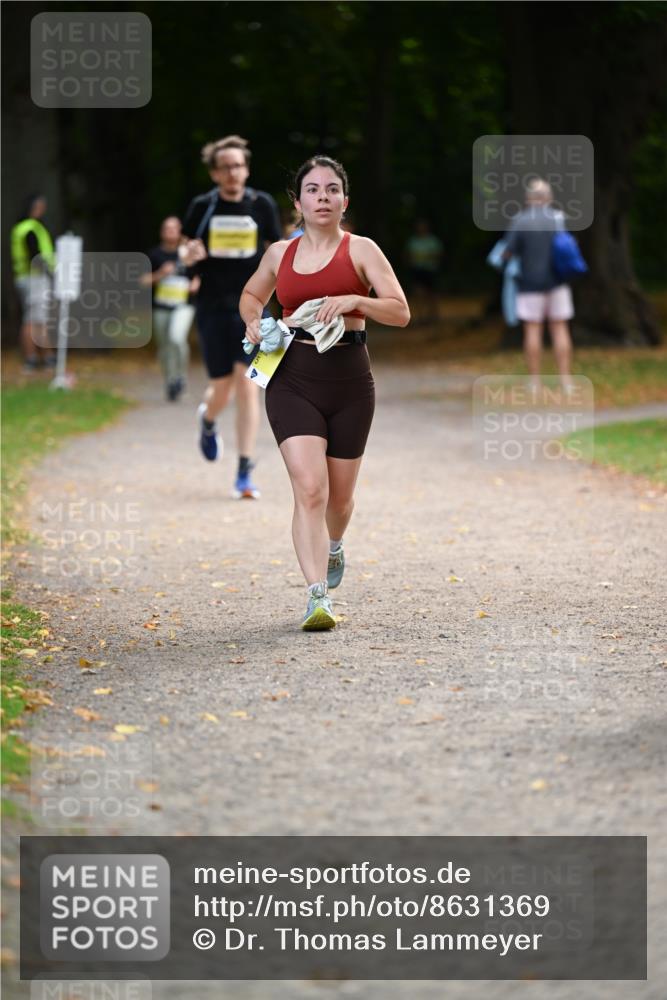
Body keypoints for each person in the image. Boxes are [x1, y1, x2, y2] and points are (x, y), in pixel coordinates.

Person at [240, 155, 410, 631]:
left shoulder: (363, 250)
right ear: (297, 202)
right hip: (291, 376)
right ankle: (318, 598)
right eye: (313, 190)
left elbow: (400, 312)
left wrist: (356, 300)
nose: (323, 198)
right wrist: (254, 321)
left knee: (339, 500)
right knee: (309, 489)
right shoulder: (279, 254)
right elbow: (251, 295)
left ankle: (334, 544)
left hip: (351, 380)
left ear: (344, 200)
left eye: (332, 189)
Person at [180, 134, 282, 498]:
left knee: (248, 385)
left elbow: (277, 249)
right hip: (212, 307)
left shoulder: (262, 204)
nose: (233, 172)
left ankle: (244, 472)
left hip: (255, 308)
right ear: (214, 174)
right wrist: (189, 254)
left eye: (238, 165)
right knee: (222, 387)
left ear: (247, 169)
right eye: (225, 167)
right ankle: (208, 420)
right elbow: (186, 250)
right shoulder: (202, 207)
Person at [502, 178, 575, 394]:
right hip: (558, 283)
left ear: (529, 199)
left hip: (529, 284)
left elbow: (507, 252)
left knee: (533, 331)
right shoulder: (559, 219)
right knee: (560, 329)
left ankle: (535, 381)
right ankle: (566, 380)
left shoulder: (521, 221)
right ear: (549, 198)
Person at [140, 216, 198, 401]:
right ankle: (170, 381)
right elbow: (143, 281)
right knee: (164, 347)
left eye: (174, 228)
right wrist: (159, 274)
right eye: (167, 228)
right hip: (161, 307)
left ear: (180, 231)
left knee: (177, 337)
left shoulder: (187, 255)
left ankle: (180, 377)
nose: (170, 232)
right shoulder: (155, 255)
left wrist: (195, 284)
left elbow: (199, 275)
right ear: (162, 232)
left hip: (184, 306)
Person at [11, 194, 55, 372]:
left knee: (36, 318)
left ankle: (42, 356)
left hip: (26, 277)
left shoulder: (21, 228)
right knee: (34, 319)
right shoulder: (30, 229)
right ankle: (36, 357)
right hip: (35, 278)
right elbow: (35, 256)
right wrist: (52, 273)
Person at [405, 219, 443, 324]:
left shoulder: (433, 241)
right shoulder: (413, 241)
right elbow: (408, 255)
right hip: (417, 270)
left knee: (431, 294)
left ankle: (433, 315)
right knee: (418, 293)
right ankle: (420, 316)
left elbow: (438, 255)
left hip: (430, 270)